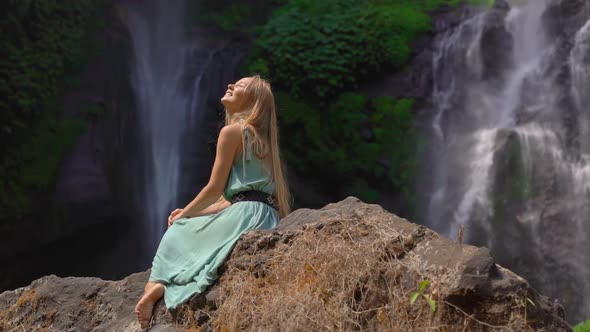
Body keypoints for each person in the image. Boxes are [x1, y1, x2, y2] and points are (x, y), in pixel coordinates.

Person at [134, 75, 291, 328]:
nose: (229, 85)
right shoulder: (264, 142)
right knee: (189, 224)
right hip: (264, 215)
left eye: (239, 86)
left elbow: (214, 189)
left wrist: (184, 215)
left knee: (177, 233)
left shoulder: (232, 132)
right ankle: (158, 288)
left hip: (244, 216)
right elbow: (234, 200)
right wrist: (192, 213)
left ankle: (156, 288)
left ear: (252, 100)